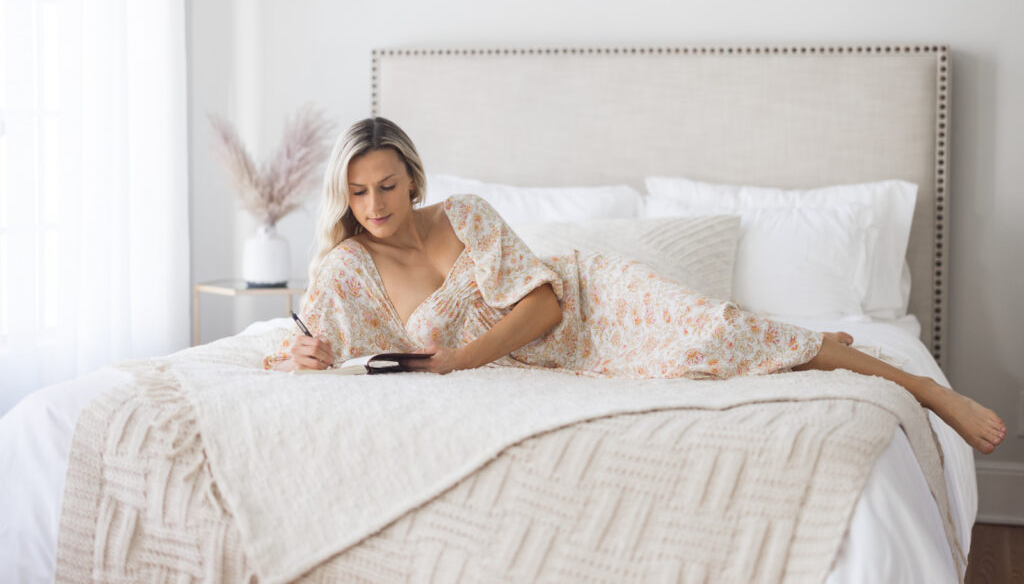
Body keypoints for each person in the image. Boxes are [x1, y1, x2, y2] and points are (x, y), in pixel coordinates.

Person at [265, 117, 1007, 455]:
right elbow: (311, 346)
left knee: (718, 331)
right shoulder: (347, 267)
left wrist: (460, 360)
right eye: (357, 193)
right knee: (733, 337)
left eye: (387, 186)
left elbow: (547, 303)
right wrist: (291, 360)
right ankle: (799, 341)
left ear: (414, 177)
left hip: (592, 304)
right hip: (551, 361)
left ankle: (928, 390)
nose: (375, 207)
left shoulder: (464, 215)